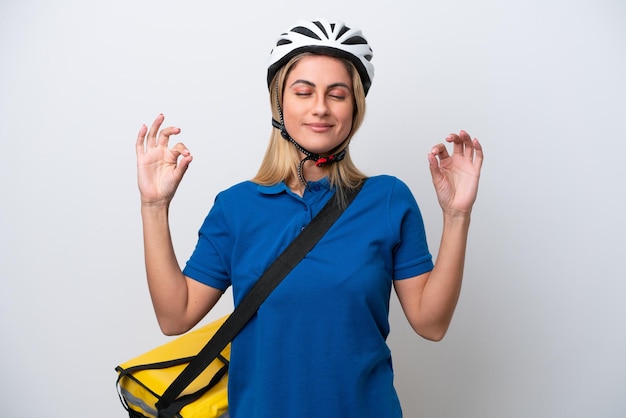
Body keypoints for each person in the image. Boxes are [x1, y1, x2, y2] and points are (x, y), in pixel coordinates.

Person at [135, 18, 483, 418]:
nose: (320, 107)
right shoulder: (236, 207)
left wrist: (457, 215)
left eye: (337, 94)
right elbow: (174, 315)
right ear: (279, 103)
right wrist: (153, 207)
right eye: (304, 92)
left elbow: (431, 323)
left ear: (355, 108)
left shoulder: (388, 199)